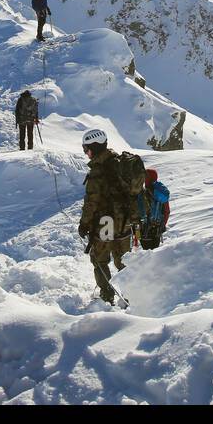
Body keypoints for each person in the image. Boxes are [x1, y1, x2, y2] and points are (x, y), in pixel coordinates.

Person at [77, 128, 133, 304]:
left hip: (105, 222)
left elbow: (91, 202)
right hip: (125, 220)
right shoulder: (121, 163)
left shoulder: (97, 171)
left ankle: (107, 296)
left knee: (100, 259)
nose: (86, 153)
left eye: (86, 149)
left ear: (95, 146)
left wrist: (84, 224)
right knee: (123, 260)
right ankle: (131, 294)